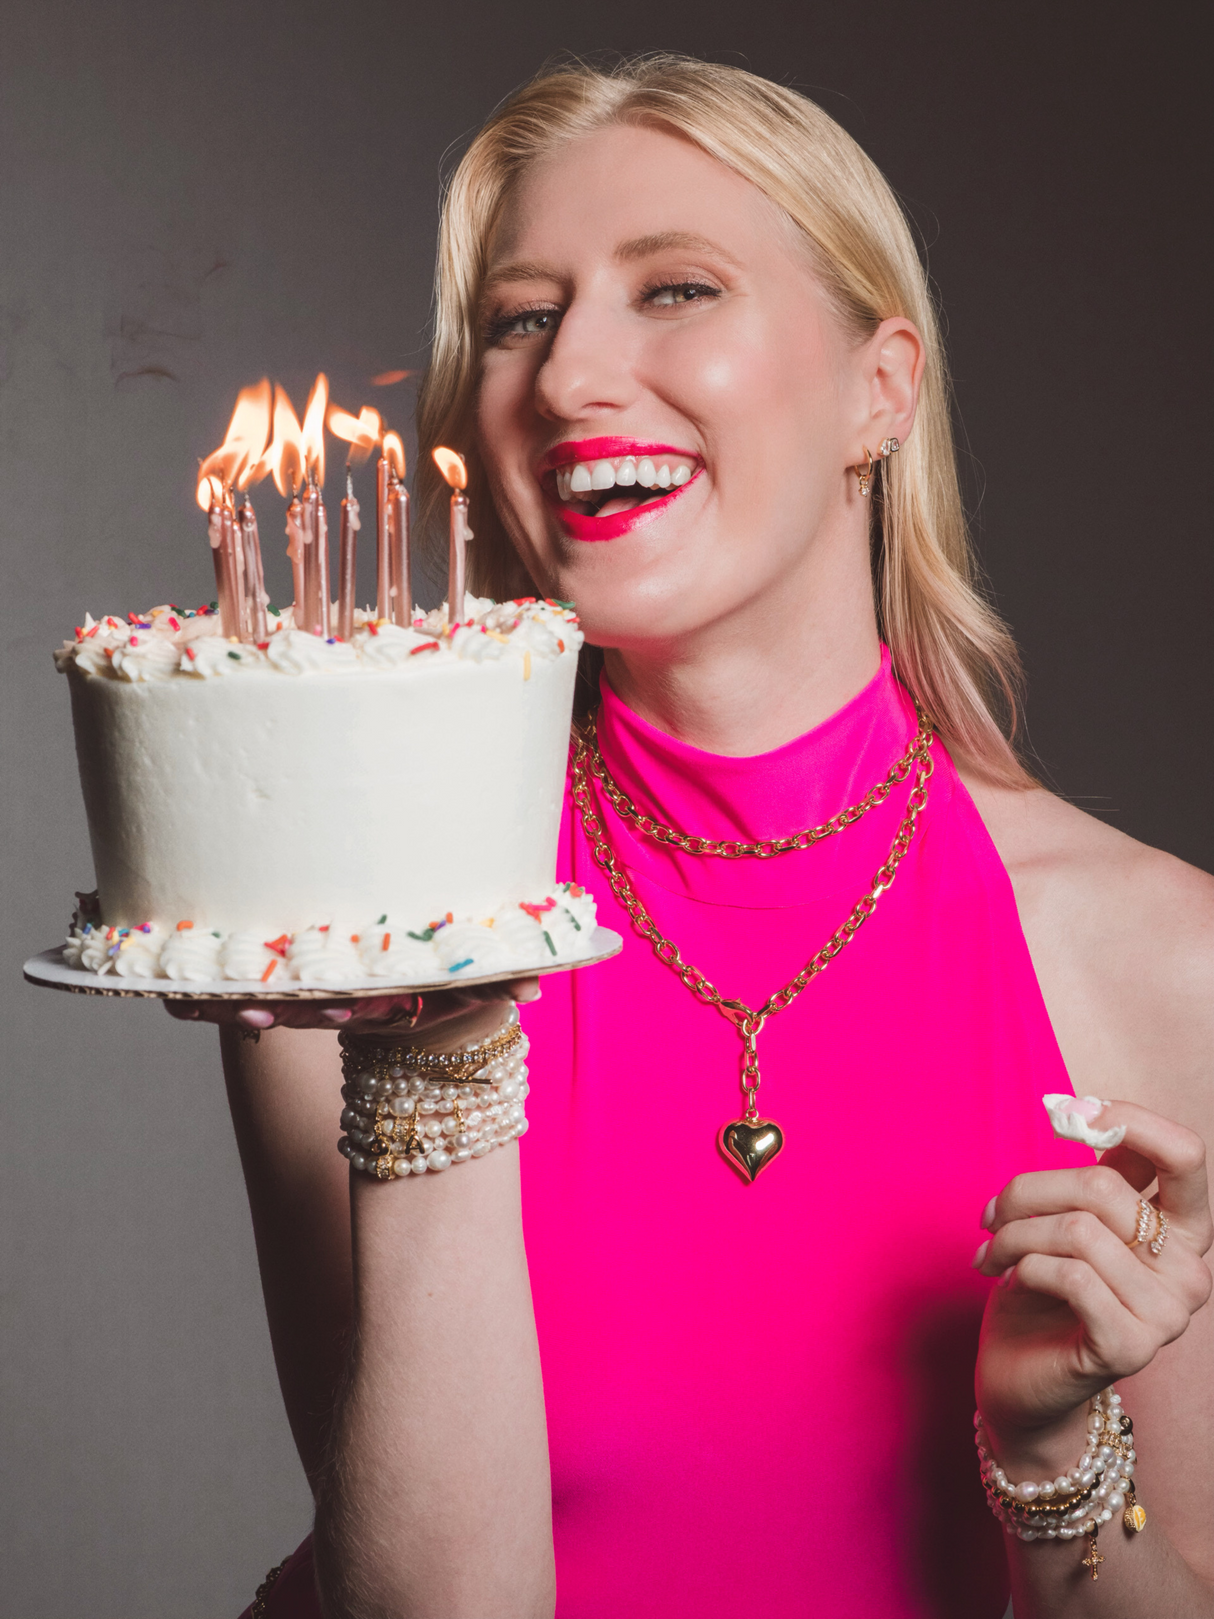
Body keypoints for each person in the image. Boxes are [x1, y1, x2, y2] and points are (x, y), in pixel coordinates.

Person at [175, 55, 1214, 1619]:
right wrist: (437, 1047)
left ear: (879, 389)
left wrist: (1051, 1448)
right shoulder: (357, 935)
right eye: (520, 320)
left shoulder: (1160, 956)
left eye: (673, 289)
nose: (568, 375)